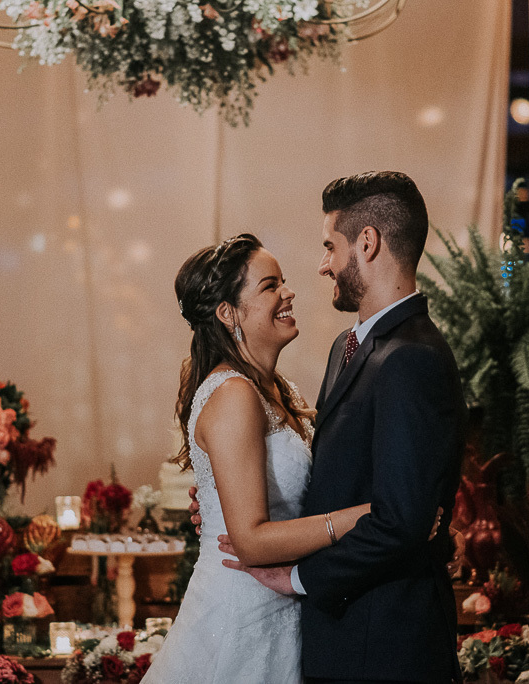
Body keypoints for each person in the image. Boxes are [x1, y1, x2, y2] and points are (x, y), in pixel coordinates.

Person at [210, 171, 467, 683]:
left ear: (367, 243)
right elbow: (336, 476)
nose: (323, 264)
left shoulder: (412, 357)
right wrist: (233, 500)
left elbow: (401, 522)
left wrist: (300, 577)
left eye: (331, 246)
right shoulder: (347, 349)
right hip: (342, 640)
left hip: (386, 646)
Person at [142, 233, 375, 683]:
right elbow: (248, 542)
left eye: (283, 282)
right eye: (270, 286)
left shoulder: (275, 389)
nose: (288, 292)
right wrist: (368, 516)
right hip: (241, 612)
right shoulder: (234, 395)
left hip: (281, 604)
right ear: (228, 313)